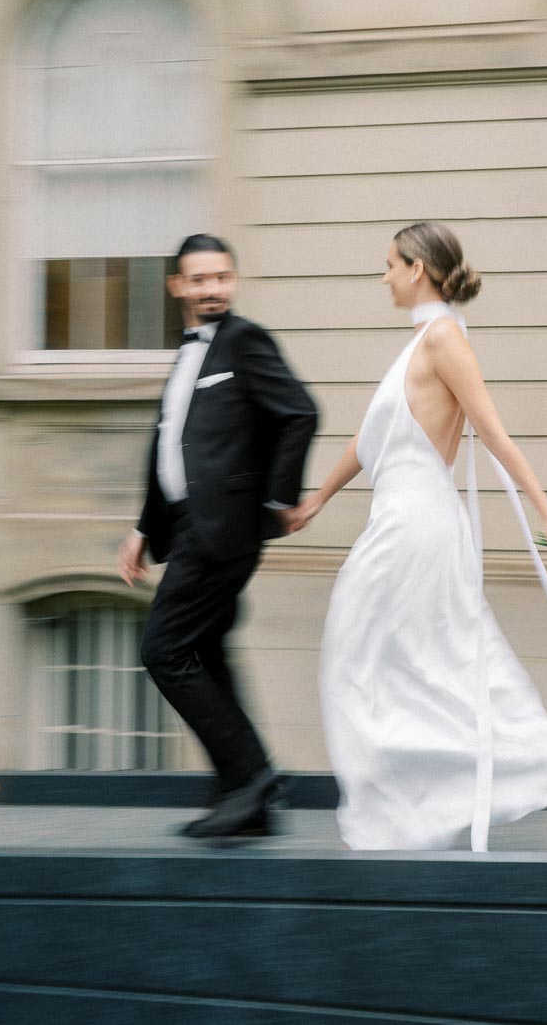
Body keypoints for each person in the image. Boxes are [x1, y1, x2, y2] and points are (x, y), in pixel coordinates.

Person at [287, 222, 547, 853]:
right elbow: (369, 441)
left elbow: (495, 435)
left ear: (417, 268)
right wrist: (315, 502)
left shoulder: (443, 339)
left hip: (417, 527)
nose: (384, 275)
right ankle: (424, 801)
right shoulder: (420, 342)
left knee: (384, 658)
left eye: (389, 264)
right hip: (397, 521)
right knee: (412, 664)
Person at [119, 234, 318, 838]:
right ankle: (242, 795)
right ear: (178, 286)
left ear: (233, 280)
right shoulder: (188, 354)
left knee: (164, 650)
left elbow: (300, 412)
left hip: (223, 529)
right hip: (184, 528)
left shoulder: (245, 340)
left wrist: (276, 497)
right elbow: (169, 447)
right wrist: (141, 529)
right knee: (206, 652)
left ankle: (252, 775)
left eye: (222, 278)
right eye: (199, 280)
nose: (212, 290)